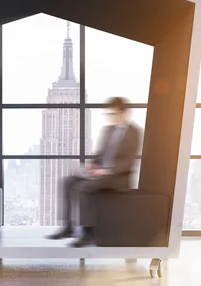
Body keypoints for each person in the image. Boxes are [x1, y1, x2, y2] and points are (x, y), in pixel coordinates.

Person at [46, 96, 142, 247]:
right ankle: (68, 227)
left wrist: (106, 171)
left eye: (113, 114)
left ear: (124, 113)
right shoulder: (108, 130)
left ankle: (87, 233)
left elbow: (128, 162)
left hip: (117, 177)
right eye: (108, 114)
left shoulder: (134, 132)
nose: (110, 117)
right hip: (100, 173)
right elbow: (100, 153)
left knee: (84, 188)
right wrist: (92, 166)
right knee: (67, 181)